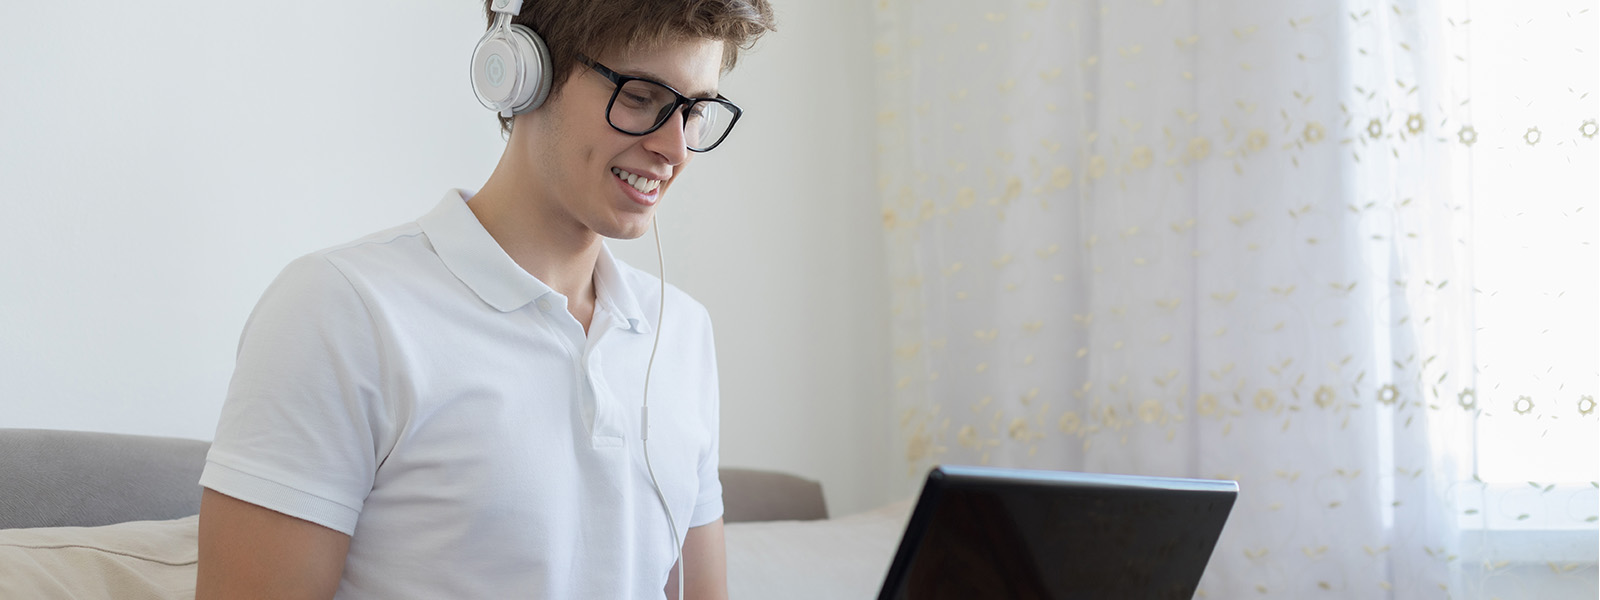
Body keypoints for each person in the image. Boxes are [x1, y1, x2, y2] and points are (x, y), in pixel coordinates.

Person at [194, 1, 774, 598]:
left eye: (696, 111)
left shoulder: (680, 332)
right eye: (641, 97)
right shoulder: (339, 310)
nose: (674, 149)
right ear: (526, 74)